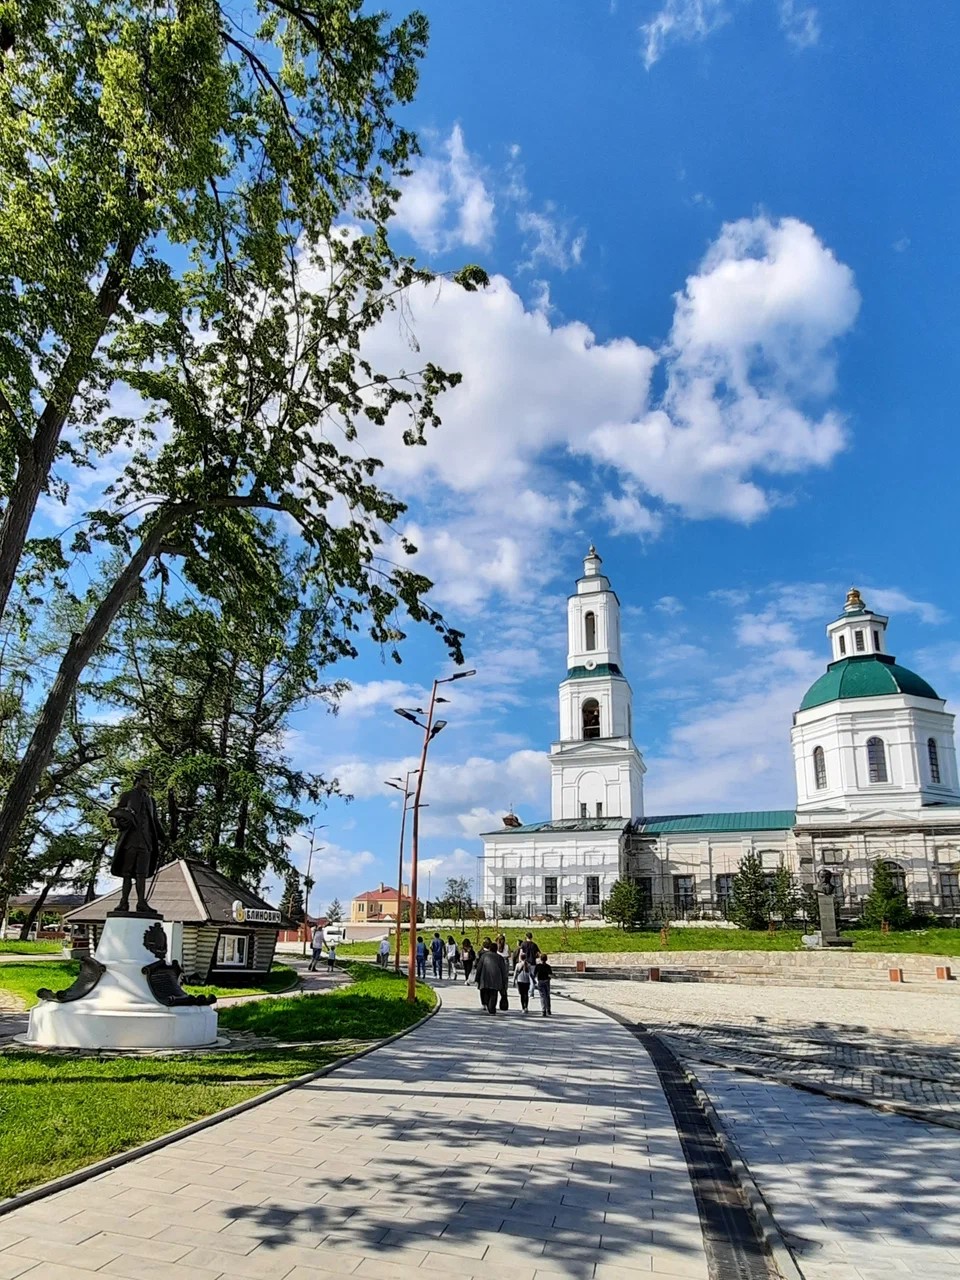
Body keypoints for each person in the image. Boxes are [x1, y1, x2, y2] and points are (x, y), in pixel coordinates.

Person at [108, 769, 166, 916]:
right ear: (139, 779)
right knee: (127, 873)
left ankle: (141, 902)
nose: (149, 782)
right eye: (147, 779)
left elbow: (155, 821)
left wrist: (164, 838)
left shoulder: (151, 800)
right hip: (130, 841)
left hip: (146, 842)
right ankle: (123, 902)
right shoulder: (127, 795)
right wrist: (120, 822)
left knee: (142, 874)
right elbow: (114, 817)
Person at [474, 939, 506, 1015]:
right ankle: (492, 1008)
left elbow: (479, 968)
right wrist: (504, 981)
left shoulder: (484, 956)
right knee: (493, 994)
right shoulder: (500, 958)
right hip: (496, 979)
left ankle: (487, 1005)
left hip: (485, 978)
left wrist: (477, 978)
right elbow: (503, 970)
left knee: (486, 992)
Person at [534, 952, 553, 1016]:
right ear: (546, 959)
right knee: (547, 995)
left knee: (542, 996)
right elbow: (550, 975)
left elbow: (534, 974)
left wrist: (534, 981)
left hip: (540, 981)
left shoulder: (538, 966)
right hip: (547, 981)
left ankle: (543, 1010)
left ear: (540, 959)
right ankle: (548, 1009)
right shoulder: (548, 967)